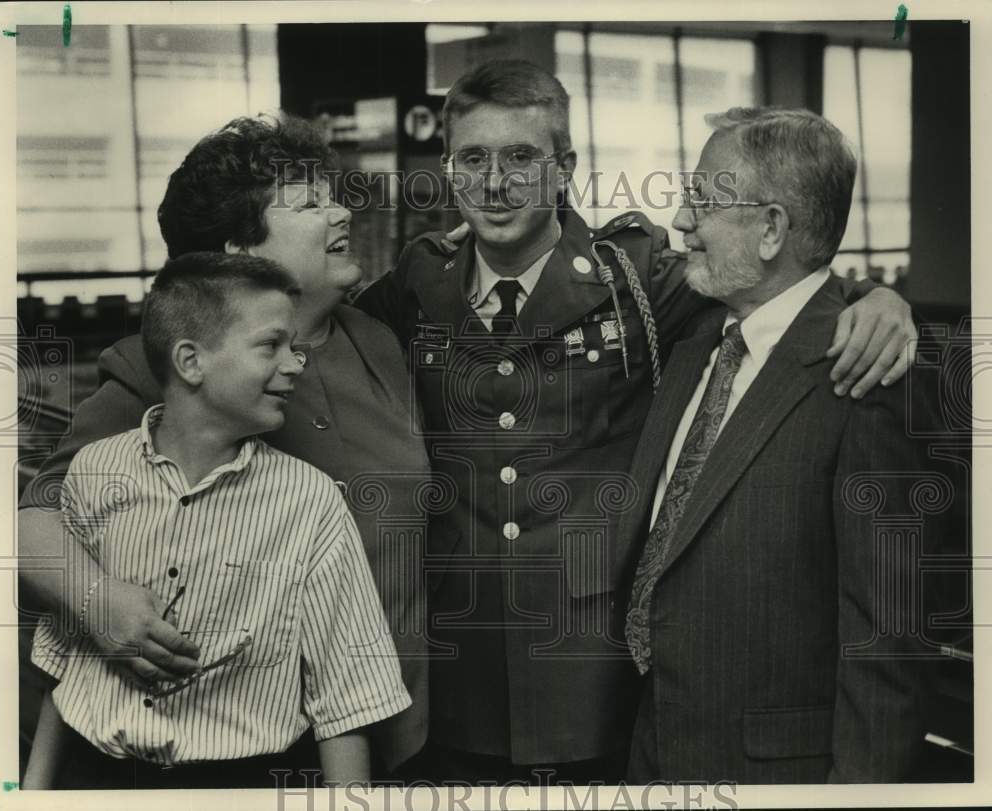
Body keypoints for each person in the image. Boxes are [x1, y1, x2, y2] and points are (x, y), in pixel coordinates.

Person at [352, 59, 919, 783]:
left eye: (522, 157)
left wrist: (873, 298)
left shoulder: (638, 278)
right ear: (448, 169)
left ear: (566, 168)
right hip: (453, 675)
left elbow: (774, 282)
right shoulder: (418, 281)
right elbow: (307, 335)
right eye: (473, 159)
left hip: (591, 683)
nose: (495, 183)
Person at [17, 117, 430, 776]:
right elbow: (32, 522)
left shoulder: (377, 339)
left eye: (333, 193)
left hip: (395, 731)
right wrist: (100, 603)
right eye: (310, 201)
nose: (342, 209)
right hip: (245, 743)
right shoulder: (167, 370)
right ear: (241, 253)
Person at [619, 107, 932, 783]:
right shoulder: (694, 341)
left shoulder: (866, 376)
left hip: (773, 774)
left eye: (702, 199)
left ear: (770, 228)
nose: (681, 221)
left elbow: (885, 638)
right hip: (651, 752)